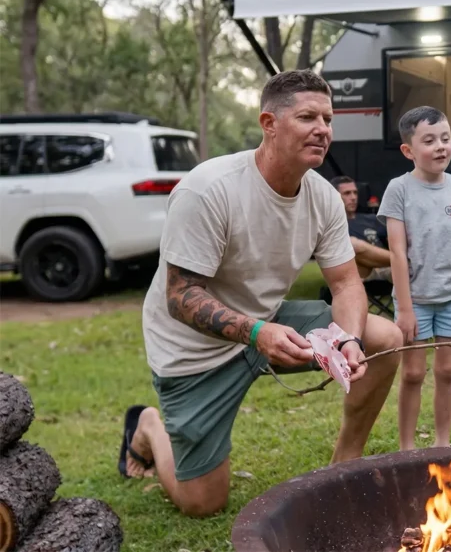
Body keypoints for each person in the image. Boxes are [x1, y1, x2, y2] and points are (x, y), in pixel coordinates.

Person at [117, 70, 404, 518]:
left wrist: (347, 338)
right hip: (194, 351)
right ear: (269, 123)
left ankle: (345, 465)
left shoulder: (323, 197)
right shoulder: (209, 189)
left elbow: (346, 282)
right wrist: (256, 333)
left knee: (383, 339)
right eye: (308, 116)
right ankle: (149, 427)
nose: (323, 129)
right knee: (202, 504)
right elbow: (180, 295)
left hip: (268, 322)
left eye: (328, 119)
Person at [378, 105, 451, 451]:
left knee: (447, 371)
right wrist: (404, 309)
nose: (441, 146)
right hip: (415, 299)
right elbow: (396, 252)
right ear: (408, 150)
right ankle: (407, 448)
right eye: (430, 140)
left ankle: (441, 443)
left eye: (446, 138)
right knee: (412, 373)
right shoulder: (399, 189)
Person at [330, 175, 392, 281]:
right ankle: (405, 260)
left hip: (389, 267)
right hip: (362, 272)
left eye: (355, 192)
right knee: (353, 244)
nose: (353, 197)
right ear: (334, 196)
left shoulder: (372, 219)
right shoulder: (332, 225)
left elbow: (392, 240)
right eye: (347, 193)